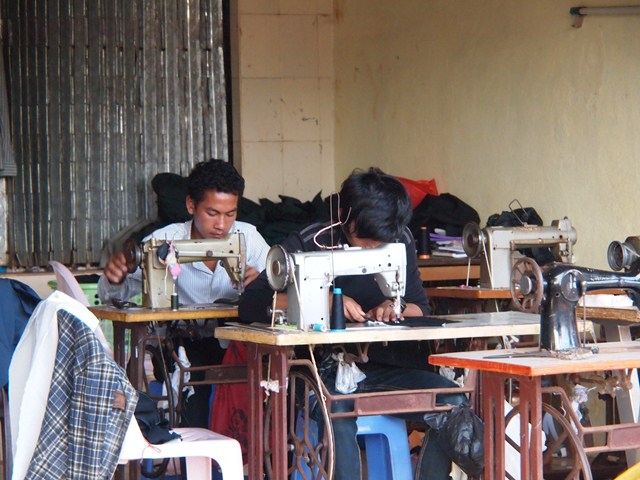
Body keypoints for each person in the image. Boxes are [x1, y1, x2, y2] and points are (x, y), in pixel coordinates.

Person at [239, 167, 467, 480]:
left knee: (451, 399)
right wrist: (321, 302)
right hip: (322, 372)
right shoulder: (311, 241)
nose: (373, 249)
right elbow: (251, 303)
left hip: (386, 366)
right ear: (346, 217)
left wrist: (395, 306)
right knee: (339, 411)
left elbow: (419, 308)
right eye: (367, 239)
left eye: (381, 242)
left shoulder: (399, 239)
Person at [98, 159, 271, 427]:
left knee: (267, 392)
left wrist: (263, 282)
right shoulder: (163, 241)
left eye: (230, 214)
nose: (222, 225)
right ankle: (199, 458)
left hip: (237, 340)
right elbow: (113, 295)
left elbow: (280, 284)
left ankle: (246, 455)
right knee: (196, 403)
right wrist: (115, 277)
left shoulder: (249, 238)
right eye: (212, 213)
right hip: (184, 342)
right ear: (191, 205)